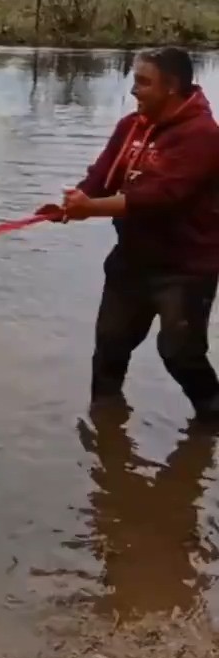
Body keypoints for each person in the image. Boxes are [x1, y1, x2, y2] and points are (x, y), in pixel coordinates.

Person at [37, 46, 219, 420]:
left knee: (179, 352)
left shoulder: (203, 136)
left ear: (171, 87)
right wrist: (74, 203)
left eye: (143, 82)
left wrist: (92, 209)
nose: (134, 90)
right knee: (109, 347)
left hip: (185, 267)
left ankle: (211, 424)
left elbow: (163, 196)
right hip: (132, 261)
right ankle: (105, 430)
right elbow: (103, 176)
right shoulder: (130, 126)